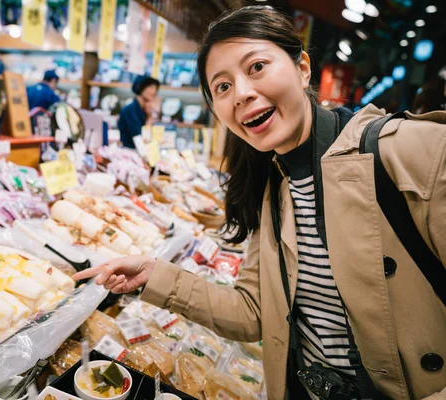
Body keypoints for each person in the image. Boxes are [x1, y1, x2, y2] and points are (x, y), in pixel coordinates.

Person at [74, 6, 446, 400]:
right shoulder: (275, 188)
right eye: (222, 87)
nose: (242, 93)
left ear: (303, 68)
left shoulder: (413, 152)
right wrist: (152, 274)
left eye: (256, 67)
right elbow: (253, 312)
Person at [118, 75, 161, 148]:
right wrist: (150, 119)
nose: (154, 91)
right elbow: (140, 139)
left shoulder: (146, 109)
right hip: (130, 152)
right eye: (150, 87)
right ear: (140, 87)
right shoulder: (129, 110)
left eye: (155, 88)